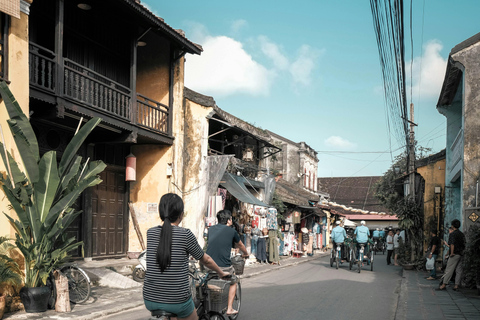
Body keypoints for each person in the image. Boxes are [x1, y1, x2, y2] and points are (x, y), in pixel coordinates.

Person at [144, 193, 228, 320]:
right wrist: (221, 273)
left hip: (150, 299)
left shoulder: (150, 233)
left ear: (161, 212)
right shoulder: (185, 234)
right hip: (178, 300)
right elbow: (206, 259)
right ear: (181, 214)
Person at [206, 210, 249, 316]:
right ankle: (229, 308)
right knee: (233, 281)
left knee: (208, 282)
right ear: (229, 220)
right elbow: (240, 245)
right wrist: (246, 253)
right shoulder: (232, 231)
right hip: (223, 267)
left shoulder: (210, 229)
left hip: (208, 264)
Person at [437, 219, 466, 291]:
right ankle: (456, 285)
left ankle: (444, 285)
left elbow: (452, 244)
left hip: (455, 254)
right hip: (461, 253)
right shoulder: (461, 234)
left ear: (452, 226)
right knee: (459, 270)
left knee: (449, 269)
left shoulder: (453, 234)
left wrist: (452, 253)